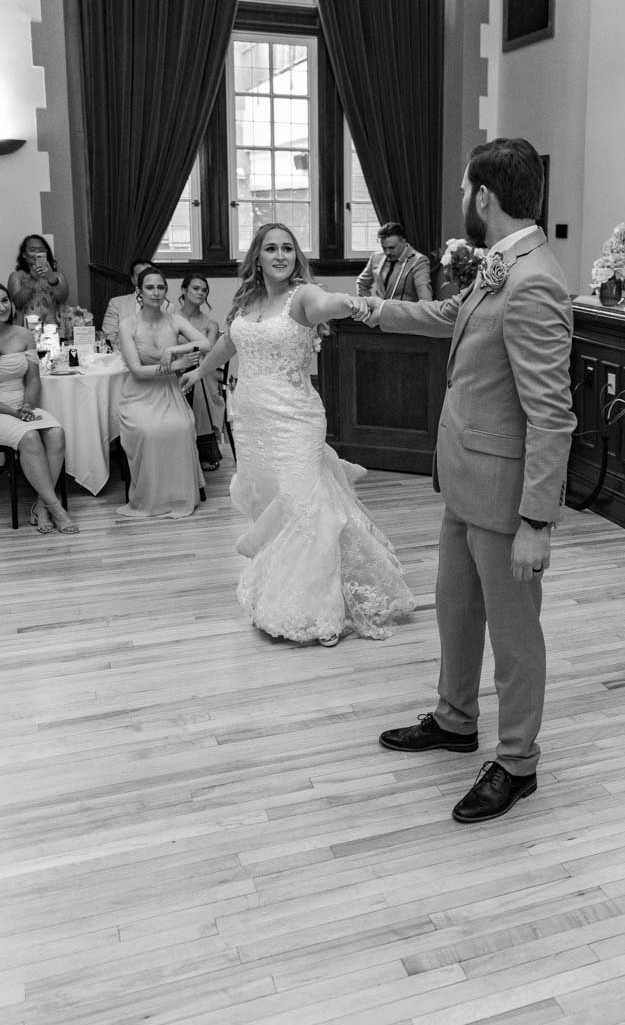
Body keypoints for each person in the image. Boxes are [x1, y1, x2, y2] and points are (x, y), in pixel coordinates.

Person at [363, 138, 575, 824]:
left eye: (464, 188)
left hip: (505, 498)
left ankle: (517, 762)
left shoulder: (534, 280)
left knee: (514, 637)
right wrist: (362, 310)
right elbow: (449, 316)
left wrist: (537, 522)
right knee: (454, 608)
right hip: (464, 480)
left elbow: (551, 414)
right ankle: (456, 719)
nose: (461, 198)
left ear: (484, 195)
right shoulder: (499, 263)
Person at [182, 221, 414, 645]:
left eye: (288, 248)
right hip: (251, 422)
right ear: (257, 256)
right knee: (272, 504)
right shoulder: (248, 300)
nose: (280, 255)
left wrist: (352, 303)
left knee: (305, 507)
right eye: (271, 248)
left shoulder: (302, 295)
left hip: (295, 419)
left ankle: (319, 611)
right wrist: (200, 371)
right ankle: (279, 593)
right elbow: (231, 343)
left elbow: (328, 303)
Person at [0, 279, 78, 533]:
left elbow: (33, 379)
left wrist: (28, 405)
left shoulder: (23, 334)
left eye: (4, 301)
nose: (2, 307)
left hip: (22, 407)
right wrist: (13, 413)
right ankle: (56, 509)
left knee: (56, 433)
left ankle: (41, 505)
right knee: (30, 437)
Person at [116, 266, 210, 521]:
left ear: (166, 291)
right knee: (149, 431)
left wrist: (174, 351)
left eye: (160, 287)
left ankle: (179, 496)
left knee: (183, 427)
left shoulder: (174, 320)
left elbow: (206, 343)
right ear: (139, 291)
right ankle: (152, 497)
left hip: (169, 392)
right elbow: (137, 371)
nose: (156, 292)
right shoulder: (128, 325)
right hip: (138, 395)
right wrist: (177, 366)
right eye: (149, 287)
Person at [177, 272, 225, 471]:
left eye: (204, 290)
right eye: (196, 288)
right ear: (184, 290)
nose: (200, 293)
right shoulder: (170, 319)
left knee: (200, 383)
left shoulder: (211, 324)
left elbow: (208, 352)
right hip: (175, 367)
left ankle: (203, 449)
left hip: (201, 369)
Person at [356, 222, 433, 301]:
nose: (387, 252)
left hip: (403, 309)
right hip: (378, 308)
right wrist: (370, 304)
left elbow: (425, 299)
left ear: (403, 242)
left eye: (391, 248)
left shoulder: (419, 261)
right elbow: (361, 283)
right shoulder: (376, 257)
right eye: (384, 248)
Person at [7, 234, 69, 326]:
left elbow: (62, 299)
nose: (37, 254)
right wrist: (32, 280)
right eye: (32, 250)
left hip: (53, 327)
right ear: (24, 254)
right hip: (25, 327)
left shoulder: (58, 276)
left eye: (41, 250)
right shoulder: (16, 276)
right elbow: (17, 302)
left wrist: (52, 279)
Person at [101, 257, 153, 344]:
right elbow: (109, 336)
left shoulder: (167, 306)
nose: (144, 278)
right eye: (139, 275)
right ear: (132, 279)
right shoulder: (116, 304)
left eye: (148, 274)